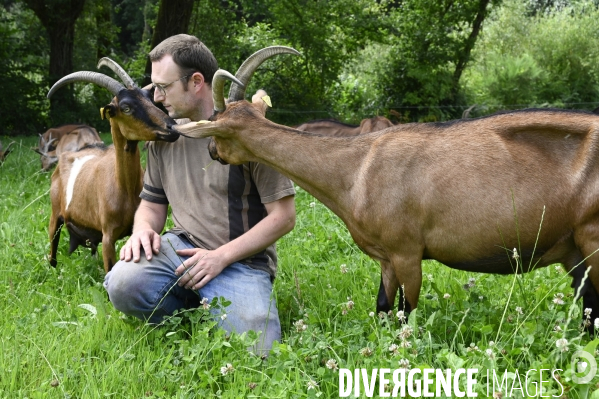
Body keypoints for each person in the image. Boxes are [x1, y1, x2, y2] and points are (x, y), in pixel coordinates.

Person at [103, 34, 296, 354]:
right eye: (153, 88)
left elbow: (283, 217)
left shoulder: (249, 132)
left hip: (241, 262)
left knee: (259, 350)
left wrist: (219, 258)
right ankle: (191, 310)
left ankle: (221, 305)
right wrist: (141, 231)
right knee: (123, 284)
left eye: (163, 87)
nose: (156, 97)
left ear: (196, 82)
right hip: (183, 251)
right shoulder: (163, 133)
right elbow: (151, 205)